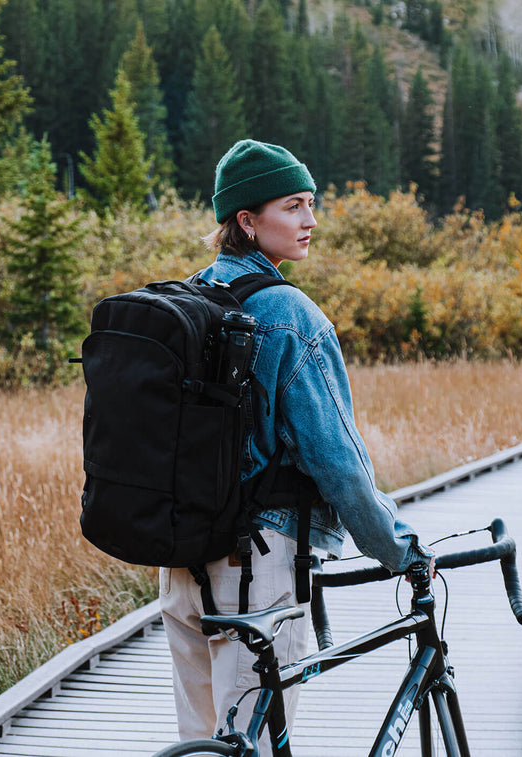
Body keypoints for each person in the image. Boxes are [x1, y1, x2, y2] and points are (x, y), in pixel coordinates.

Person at [159, 140, 433, 753]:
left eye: (311, 203)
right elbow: (340, 466)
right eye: (292, 206)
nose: (310, 220)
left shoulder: (190, 299)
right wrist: (399, 550)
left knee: (201, 745)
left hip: (181, 563)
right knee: (253, 745)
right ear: (247, 221)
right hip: (257, 569)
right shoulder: (290, 315)